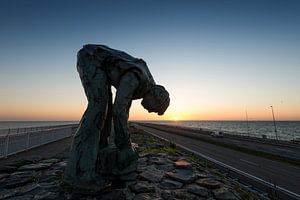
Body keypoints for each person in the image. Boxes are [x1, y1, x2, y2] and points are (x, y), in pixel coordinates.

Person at [64, 44, 170, 185]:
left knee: (105, 110)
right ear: (156, 96)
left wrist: (124, 144)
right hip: (91, 58)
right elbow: (119, 110)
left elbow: (123, 110)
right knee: (97, 108)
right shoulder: (137, 78)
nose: (151, 111)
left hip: (99, 63)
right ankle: (79, 173)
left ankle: (97, 156)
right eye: (155, 109)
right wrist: (125, 145)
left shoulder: (143, 84)